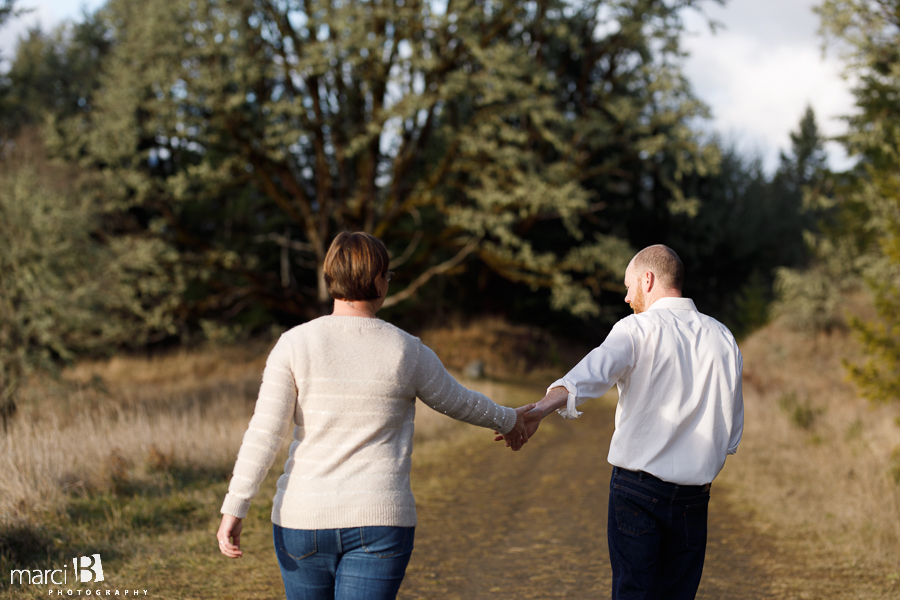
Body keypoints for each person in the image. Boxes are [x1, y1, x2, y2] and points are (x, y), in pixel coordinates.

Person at [217, 231, 533, 600]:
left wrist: (235, 507)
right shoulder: (405, 349)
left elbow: (264, 433)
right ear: (379, 279)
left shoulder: (294, 343)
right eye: (389, 274)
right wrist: (510, 420)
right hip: (380, 518)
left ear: (330, 277)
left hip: (302, 519)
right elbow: (459, 401)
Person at [503, 244, 743, 600]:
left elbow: (590, 373)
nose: (628, 298)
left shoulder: (637, 329)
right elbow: (731, 430)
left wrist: (540, 409)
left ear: (648, 279)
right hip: (695, 498)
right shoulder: (723, 337)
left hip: (638, 492)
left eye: (628, 287)